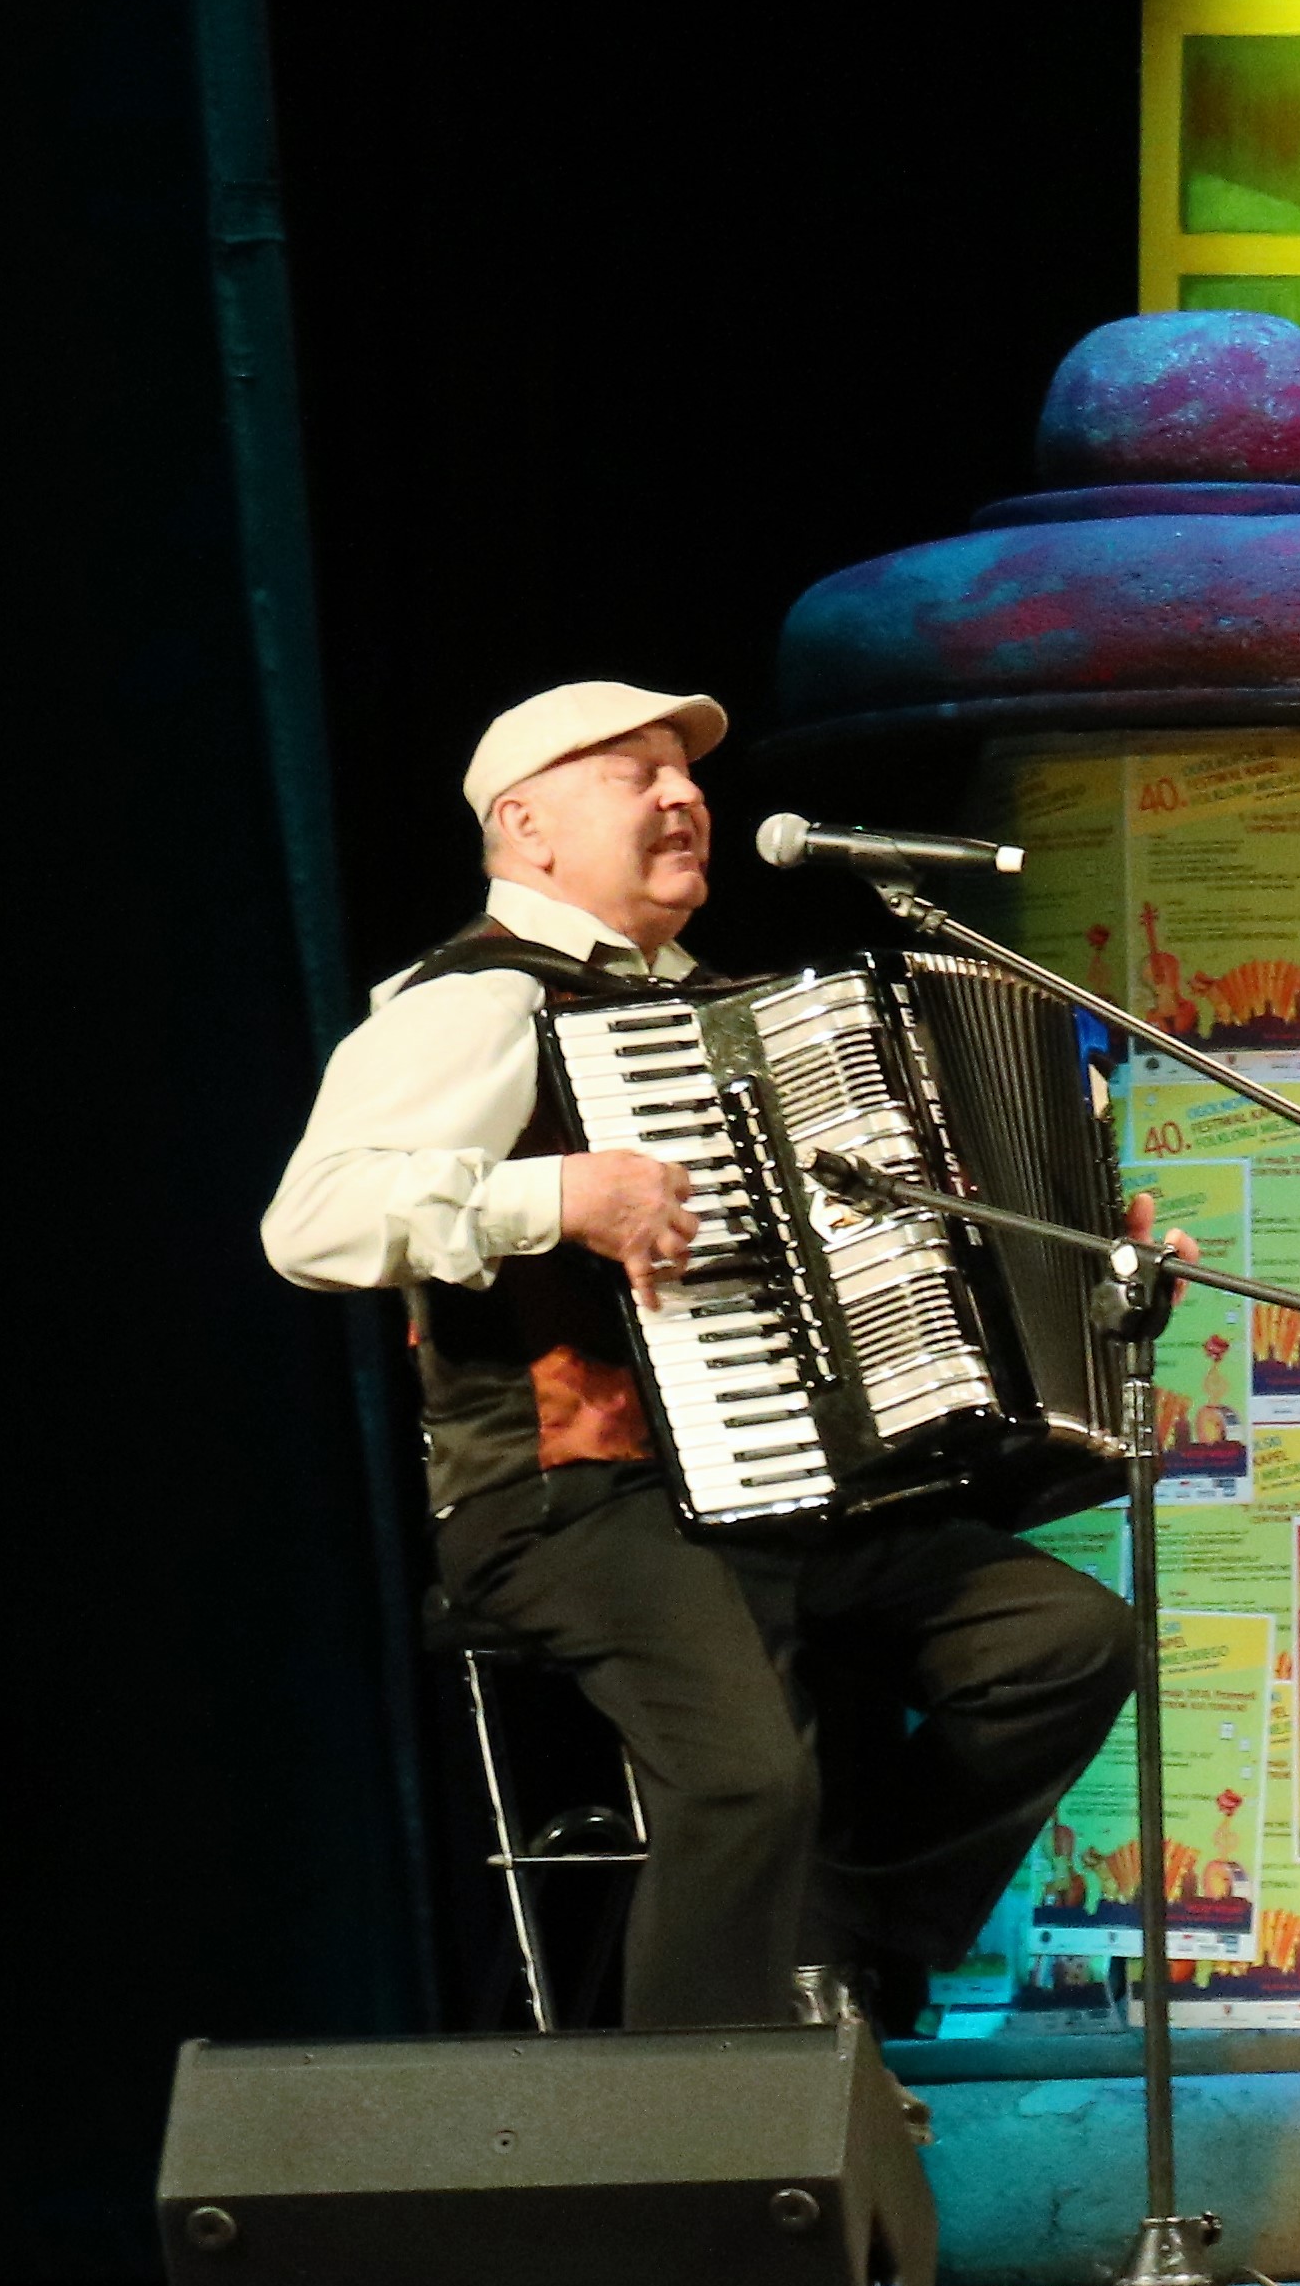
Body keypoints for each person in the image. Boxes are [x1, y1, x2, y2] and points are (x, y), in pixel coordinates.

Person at [264, 682, 1133, 2034]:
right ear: (526, 826)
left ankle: (838, 1940)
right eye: (635, 775)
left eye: (687, 776)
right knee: (745, 1783)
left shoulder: (741, 1016)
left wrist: (1072, 1252)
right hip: (569, 1495)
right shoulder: (477, 1003)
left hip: (785, 1488)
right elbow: (312, 1222)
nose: (682, 797)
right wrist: (558, 1195)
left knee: (1063, 1640)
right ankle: (694, 2122)